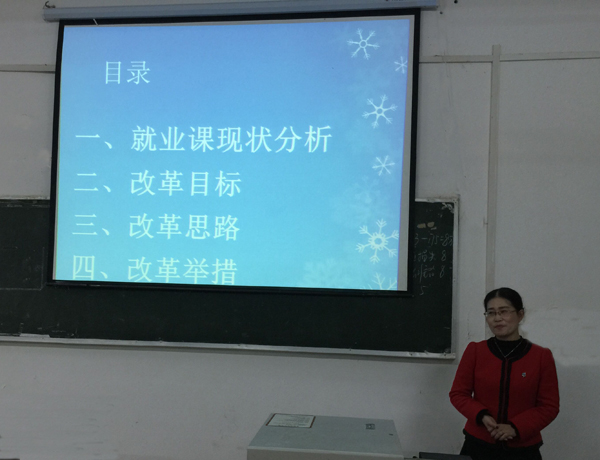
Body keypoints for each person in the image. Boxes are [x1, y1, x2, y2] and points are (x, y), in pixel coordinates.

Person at [449, 287, 559, 460]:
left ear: (520, 315)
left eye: (504, 311)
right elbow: (458, 394)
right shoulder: (475, 351)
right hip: (478, 445)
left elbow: (549, 406)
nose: (497, 318)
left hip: (523, 449)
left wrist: (515, 427)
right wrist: (482, 415)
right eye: (491, 313)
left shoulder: (541, 356)